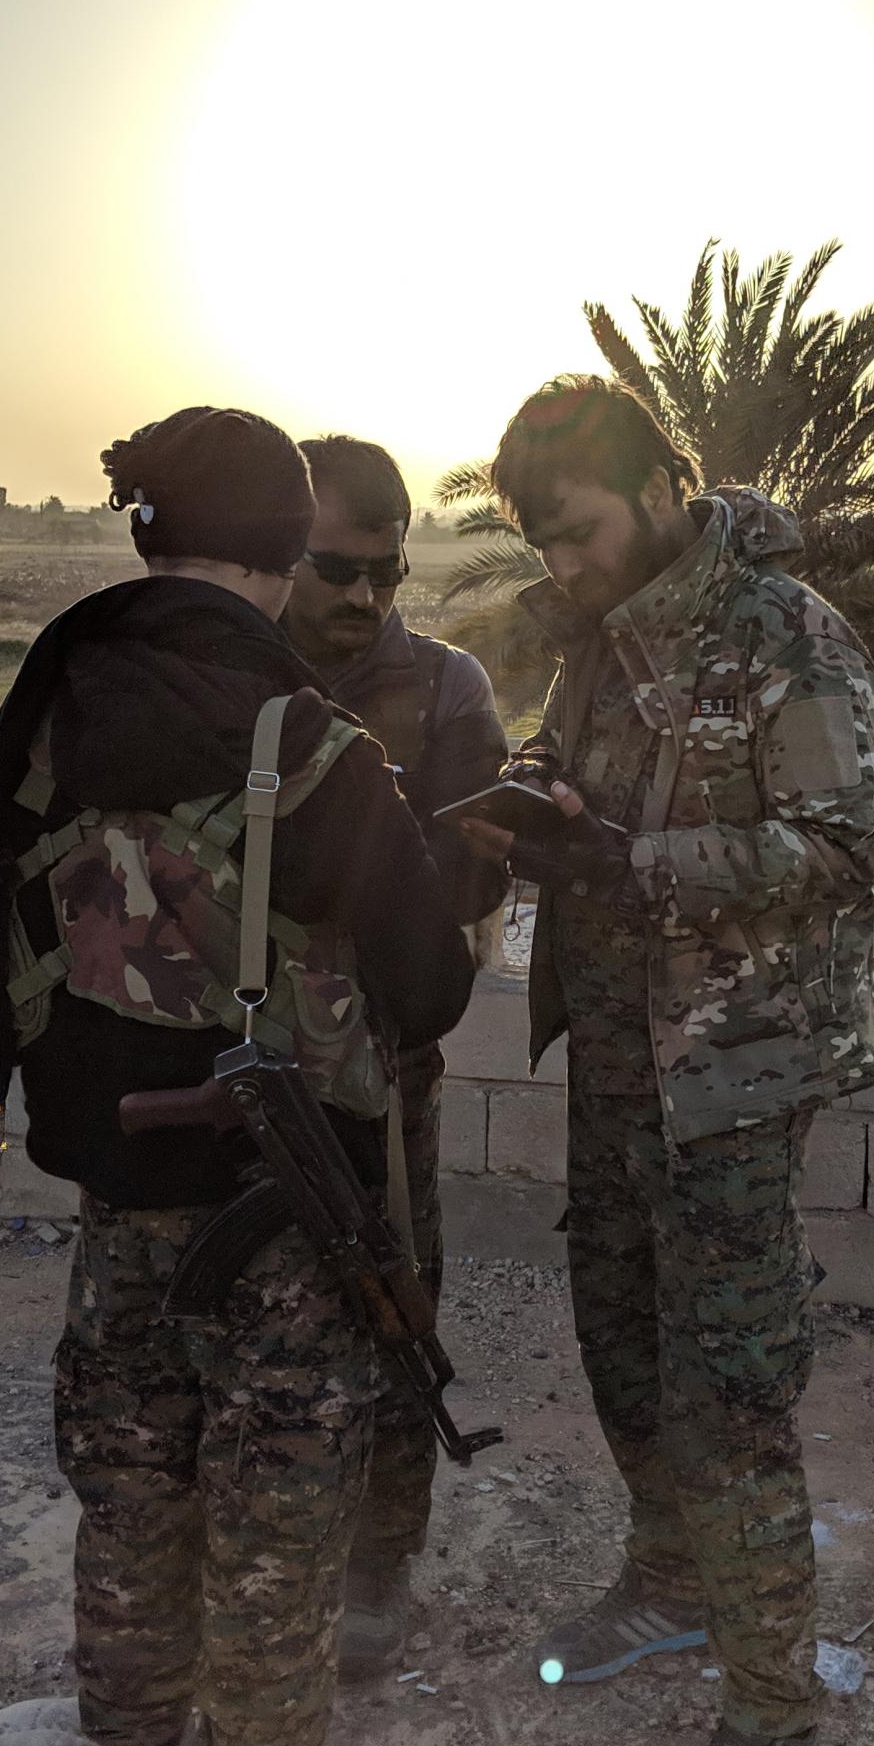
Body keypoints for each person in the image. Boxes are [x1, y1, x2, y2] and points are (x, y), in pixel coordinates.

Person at [0, 405, 475, 1746]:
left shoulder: (52, 703)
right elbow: (427, 991)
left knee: (129, 1492)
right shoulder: (309, 738)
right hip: (283, 1228)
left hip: (118, 1201)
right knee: (274, 1532)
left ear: (147, 532)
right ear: (290, 546)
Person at [455, 376, 874, 1746]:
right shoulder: (597, 637)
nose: (561, 565)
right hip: (615, 1058)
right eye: (541, 546)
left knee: (731, 1390)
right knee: (620, 1334)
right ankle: (669, 1579)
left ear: (655, 484)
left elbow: (834, 848)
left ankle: (777, 1717)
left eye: (574, 531)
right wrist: (532, 792)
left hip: (732, 1072)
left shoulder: (786, 635)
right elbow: (568, 762)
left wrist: (636, 860)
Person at [279, 433, 511, 1673]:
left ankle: (379, 1563)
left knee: (389, 1293)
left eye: (387, 570)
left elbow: (472, 883)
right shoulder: (226, 671)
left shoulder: (444, 687)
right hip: (243, 1061)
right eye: (333, 567)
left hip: (381, 1055)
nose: (365, 598)